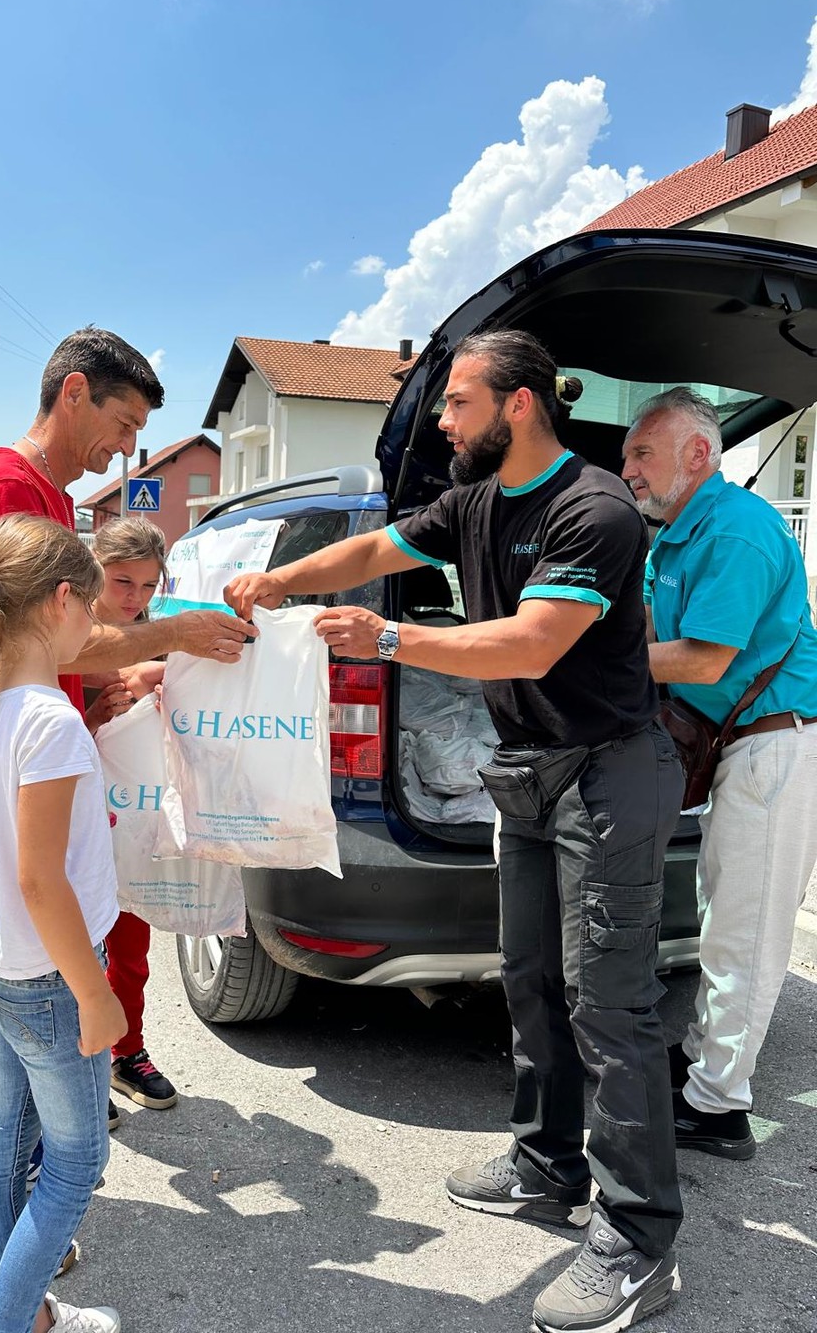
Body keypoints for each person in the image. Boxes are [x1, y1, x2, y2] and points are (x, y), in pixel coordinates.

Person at [225, 329, 685, 1333]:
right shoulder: (473, 500)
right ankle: (545, 1164)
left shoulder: (593, 508)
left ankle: (640, 1240)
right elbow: (377, 547)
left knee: (610, 1005)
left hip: (609, 773)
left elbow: (533, 641)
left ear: (519, 405)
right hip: (527, 776)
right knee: (532, 980)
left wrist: (388, 637)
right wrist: (286, 581)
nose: (441, 420)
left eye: (459, 402)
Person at [0, 325, 255, 1274]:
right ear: (74, 394)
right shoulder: (11, 493)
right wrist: (176, 634)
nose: (127, 446)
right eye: (123, 420)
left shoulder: (27, 494)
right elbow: (39, 648)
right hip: (4, 789)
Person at [0, 513, 125, 1333]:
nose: (95, 626)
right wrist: (96, 993)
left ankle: (27, 1311)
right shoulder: (51, 720)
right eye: (92, 609)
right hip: (52, 977)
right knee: (75, 1164)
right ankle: (8, 1325)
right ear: (60, 602)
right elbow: (41, 881)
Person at [623, 387, 817, 1160]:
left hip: (777, 746)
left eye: (642, 452)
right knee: (720, 913)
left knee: (746, 930)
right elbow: (648, 629)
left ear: (698, 454)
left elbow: (704, 658)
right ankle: (706, 1059)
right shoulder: (672, 535)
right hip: (738, 744)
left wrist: (588, 665)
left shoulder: (737, 531)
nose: (627, 467)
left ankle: (719, 1106)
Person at [85, 517, 177, 1112]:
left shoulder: (154, 642)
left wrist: (161, 682)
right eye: (123, 582)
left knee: (130, 947)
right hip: (68, 819)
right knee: (75, 951)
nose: (136, 599)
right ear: (91, 571)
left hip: (133, 821)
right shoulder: (66, 635)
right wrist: (93, 712)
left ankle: (127, 1051)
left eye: (148, 586)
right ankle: (81, 1068)